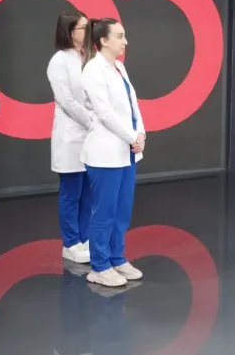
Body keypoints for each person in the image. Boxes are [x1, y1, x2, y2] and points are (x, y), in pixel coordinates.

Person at [80, 17, 145, 287]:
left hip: (126, 152)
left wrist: (141, 133)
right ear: (103, 40)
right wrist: (132, 136)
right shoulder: (93, 70)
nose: (125, 41)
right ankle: (99, 266)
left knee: (121, 211)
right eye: (119, 36)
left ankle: (117, 258)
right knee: (104, 212)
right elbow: (105, 113)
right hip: (105, 153)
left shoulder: (119, 67)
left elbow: (133, 105)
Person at [48, 10, 95, 264]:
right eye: (83, 28)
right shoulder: (60, 60)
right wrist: (92, 121)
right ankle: (71, 243)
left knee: (88, 191)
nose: (88, 32)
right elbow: (66, 100)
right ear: (69, 31)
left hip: (92, 136)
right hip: (72, 135)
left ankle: (85, 238)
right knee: (71, 192)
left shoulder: (90, 56)